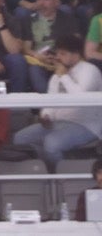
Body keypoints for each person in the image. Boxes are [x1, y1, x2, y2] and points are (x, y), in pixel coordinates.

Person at [11, 36, 102, 167]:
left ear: (76, 54)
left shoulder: (90, 70)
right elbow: (51, 99)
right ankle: (44, 166)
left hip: (86, 125)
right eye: (57, 53)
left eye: (63, 53)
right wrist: (45, 116)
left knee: (51, 143)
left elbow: (80, 98)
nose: (58, 57)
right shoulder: (57, 75)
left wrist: (64, 76)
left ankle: (60, 178)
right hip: (56, 123)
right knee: (20, 138)